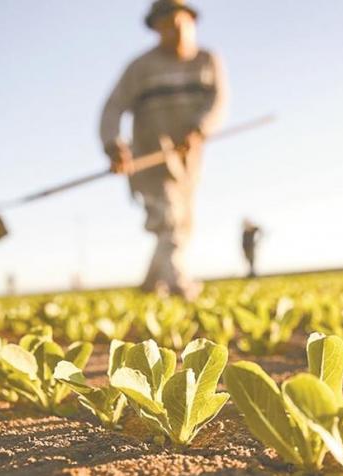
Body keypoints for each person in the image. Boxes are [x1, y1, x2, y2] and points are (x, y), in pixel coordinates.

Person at [99, 0, 227, 300]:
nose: (175, 30)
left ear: (191, 22)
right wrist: (112, 144)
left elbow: (218, 102)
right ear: (156, 28)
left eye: (180, 22)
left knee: (181, 223)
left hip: (188, 163)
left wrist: (200, 129)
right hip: (149, 159)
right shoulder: (140, 68)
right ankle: (180, 286)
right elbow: (112, 108)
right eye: (167, 25)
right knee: (168, 219)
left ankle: (149, 285)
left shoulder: (208, 60)